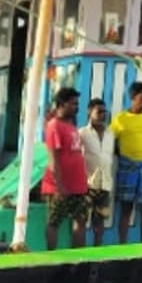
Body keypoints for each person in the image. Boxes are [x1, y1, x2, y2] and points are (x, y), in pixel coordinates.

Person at [42, 88, 89, 249]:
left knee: (81, 221)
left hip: (78, 185)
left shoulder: (70, 125)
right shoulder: (54, 126)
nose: (77, 107)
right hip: (60, 186)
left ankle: (78, 260)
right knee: (54, 222)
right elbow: (53, 158)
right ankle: (51, 258)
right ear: (62, 104)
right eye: (73, 104)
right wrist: (59, 185)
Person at [110, 81, 142, 241]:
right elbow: (111, 142)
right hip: (127, 169)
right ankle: (123, 245)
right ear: (133, 98)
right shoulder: (120, 119)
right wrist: (122, 157)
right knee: (126, 209)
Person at [80, 98, 115, 246]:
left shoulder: (110, 134)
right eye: (98, 112)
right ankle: (78, 254)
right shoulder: (82, 133)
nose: (102, 115)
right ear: (90, 112)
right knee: (81, 220)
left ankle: (97, 252)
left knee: (100, 221)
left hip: (105, 183)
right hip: (87, 184)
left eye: (104, 112)